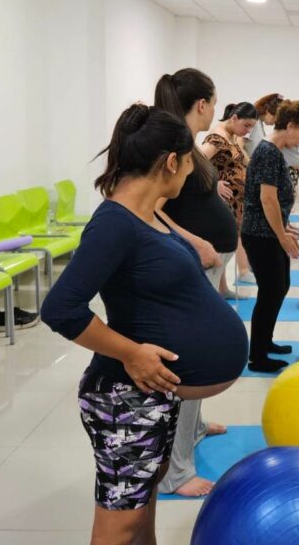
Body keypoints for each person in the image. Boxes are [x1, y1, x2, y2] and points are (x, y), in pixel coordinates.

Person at [40, 104, 247, 545]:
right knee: (120, 525)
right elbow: (60, 308)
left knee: (143, 506)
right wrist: (132, 353)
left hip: (152, 394)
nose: (191, 174)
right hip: (123, 400)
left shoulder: (147, 212)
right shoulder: (113, 224)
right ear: (171, 162)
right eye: (189, 163)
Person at [153, 68, 238, 498]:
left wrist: (212, 189)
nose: (215, 109)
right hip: (196, 261)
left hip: (210, 259)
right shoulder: (176, 143)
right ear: (201, 104)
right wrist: (196, 241)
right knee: (193, 360)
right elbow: (152, 206)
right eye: (213, 100)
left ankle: (198, 427)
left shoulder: (188, 145)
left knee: (200, 353)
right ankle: (177, 472)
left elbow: (184, 195)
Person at [242, 100, 299, 373]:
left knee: (280, 286)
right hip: (260, 234)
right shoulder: (269, 152)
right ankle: (257, 356)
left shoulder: (274, 152)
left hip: (269, 231)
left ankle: (266, 341)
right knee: (270, 291)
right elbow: (267, 199)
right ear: (291, 125)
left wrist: (284, 229)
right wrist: (281, 235)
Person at [200, 102, 258, 298]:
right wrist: (214, 184)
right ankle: (212, 292)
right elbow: (196, 162)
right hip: (224, 204)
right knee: (222, 246)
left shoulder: (233, 137)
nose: (248, 131)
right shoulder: (217, 138)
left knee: (226, 246)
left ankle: (222, 289)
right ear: (234, 118)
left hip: (236, 203)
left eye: (252, 127)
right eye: (247, 126)